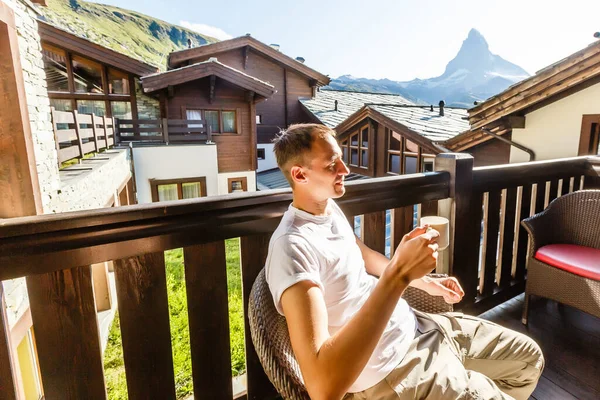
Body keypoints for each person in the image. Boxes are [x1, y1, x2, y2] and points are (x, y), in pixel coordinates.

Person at [265, 123, 544, 400]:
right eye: (331, 165)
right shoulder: (291, 247)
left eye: (341, 158)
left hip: (420, 327)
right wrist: (399, 274)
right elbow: (322, 388)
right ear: (300, 175)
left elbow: (362, 255)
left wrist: (423, 282)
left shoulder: (328, 209)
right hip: (392, 371)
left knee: (530, 361)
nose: (345, 171)